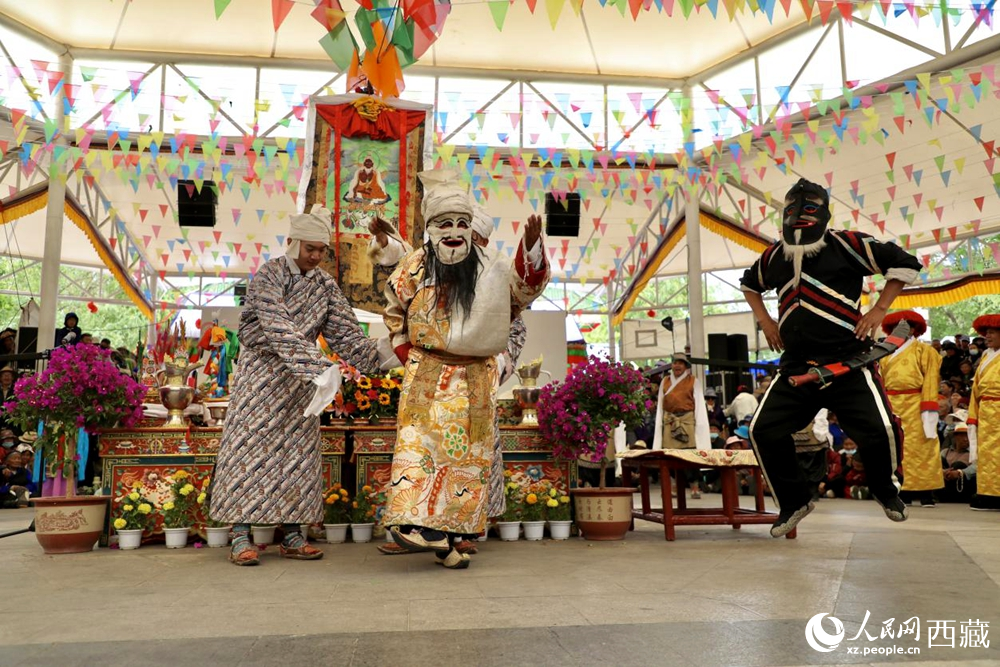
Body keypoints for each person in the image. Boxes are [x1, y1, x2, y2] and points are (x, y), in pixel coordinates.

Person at [381, 170, 548, 569]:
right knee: (416, 447)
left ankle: (451, 541)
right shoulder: (414, 266)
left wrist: (530, 249)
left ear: (470, 228)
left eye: (461, 224)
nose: (454, 232)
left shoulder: (493, 264)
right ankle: (417, 525)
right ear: (430, 229)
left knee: (465, 461)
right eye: (444, 224)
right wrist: (406, 352)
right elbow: (394, 310)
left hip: (474, 377)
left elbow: (523, 292)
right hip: (426, 373)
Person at [740, 177, 922, 537]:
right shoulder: (775, 255)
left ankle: (886, 491)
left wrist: (879, 309)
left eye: (809, 209)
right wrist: (765, 321)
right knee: (762, 430)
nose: (799, 218)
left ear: (824, 212)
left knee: (880, 428)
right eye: (791, 210)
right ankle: (794, 501)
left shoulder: (848, 243)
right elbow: (749, 284)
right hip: (796, 366)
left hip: (847, 363)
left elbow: (905, 263)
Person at [211, 205, 391, 566]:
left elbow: (347, 335)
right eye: (310, 248)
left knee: (298, 459)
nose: (316, 256)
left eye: (322, 250)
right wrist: (319, 367)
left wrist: (389, 354)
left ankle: (294, 536)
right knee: (249, 455)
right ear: (291, 242)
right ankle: (241, 536)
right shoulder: (269, 276)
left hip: (302, 386)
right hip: (259, 378)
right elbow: (279, 328)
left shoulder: (325, 285)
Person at [878, 310, 942, 508]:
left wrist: (929, 410)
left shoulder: (925, 351)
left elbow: (931, 380)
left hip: (916, 403)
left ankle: (925, 492)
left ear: (914, 329)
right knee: (897, 449)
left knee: (922, 447)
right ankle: (902, 489)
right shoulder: (886, 353)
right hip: (892, 404)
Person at [651, 353, 710, 498]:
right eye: (675, 363)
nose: (677, 365)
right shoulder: (665, 381)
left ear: (685, 366)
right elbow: (660, 405)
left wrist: (699, 426)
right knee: (669, 455)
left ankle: (694, 486)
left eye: (681, 363)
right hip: (669, 420)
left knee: (690, 455)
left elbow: (699, 406)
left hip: (687, 420)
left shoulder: (693, 381)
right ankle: (673, 485)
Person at [967, 314, 1000, 511]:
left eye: (992, 332)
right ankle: (989, 493)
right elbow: (977, 388)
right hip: (987, 410)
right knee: (987, 454)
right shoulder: (986, 356)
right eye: (986, 333)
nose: (987, 336)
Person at [940, 422, 975, 503]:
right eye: (962, 435)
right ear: (955, 436)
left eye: (968, 436)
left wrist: (960, 472)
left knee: (958, 465)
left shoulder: (974, 453)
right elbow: (934, 466)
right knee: (940, 461)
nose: (966, 439)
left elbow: (977, 467)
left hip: (963, 487)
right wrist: (942, 472)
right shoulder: (945, 452)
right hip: (945, 486)